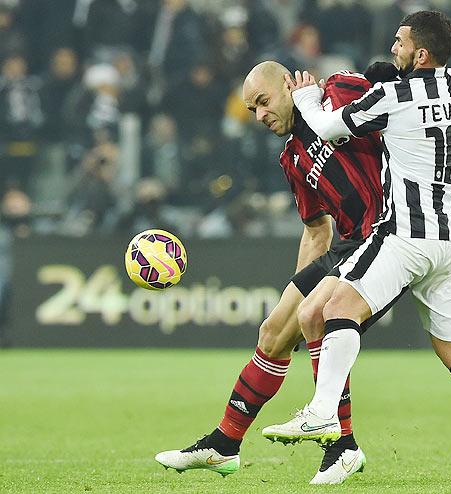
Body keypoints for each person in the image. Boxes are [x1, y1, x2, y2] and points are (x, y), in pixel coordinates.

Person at [262, 11, 451, 483]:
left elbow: (330, 128)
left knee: (337, 308)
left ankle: (321, 411)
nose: (391, 49)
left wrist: (306, 95)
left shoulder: (394, 97)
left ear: (419, 53)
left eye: (399, 42)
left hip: (406, 236)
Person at [154, 60, 403, 485]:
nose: (260, 115)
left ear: (289, 85)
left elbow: (399, 105)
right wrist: (299, 285)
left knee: (318, 317)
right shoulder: (292, 158)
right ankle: (225, 445)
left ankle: (342, 447)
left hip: (390, 233)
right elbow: (315, 229)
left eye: (264, 102)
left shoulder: (337, 93)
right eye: (252, 110)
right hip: (345, 242)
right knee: (274, 331)